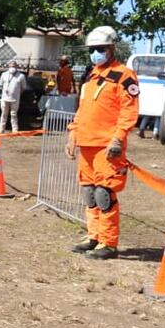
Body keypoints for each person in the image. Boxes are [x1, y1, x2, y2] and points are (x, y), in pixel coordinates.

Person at [66, 26, 139, 260]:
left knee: (104, 194)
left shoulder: (124, 75)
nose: (95, 53)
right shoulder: (91, 77)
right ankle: (94, 236)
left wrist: (118, 138)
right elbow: (82, 110)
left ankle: (108, 242)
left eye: (100, 49)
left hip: (107, 146)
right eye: (92, 49)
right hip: (86, 143)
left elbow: (129, 111)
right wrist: (72, 135)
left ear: (111, 48)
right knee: (89, 193)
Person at [0, 59, 26, 133]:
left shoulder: (21, 76)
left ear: (17, 66)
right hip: (5, 98)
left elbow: (23, 88)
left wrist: (17, 94)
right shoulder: (4, 74)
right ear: (8, 66)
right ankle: (1, 129)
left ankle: (14, 129)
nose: (12, 67)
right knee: (4, 114)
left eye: (14, 66)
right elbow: (0, 85)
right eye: (11, 65)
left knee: (13, 114)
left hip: (15, 99)